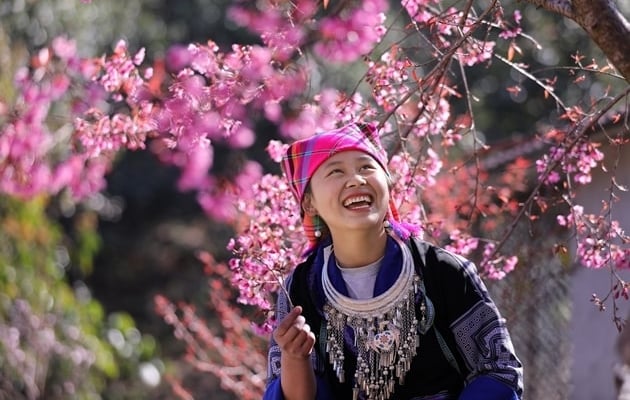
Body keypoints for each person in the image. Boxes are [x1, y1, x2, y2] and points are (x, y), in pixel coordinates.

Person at [263, 122, 523, 400]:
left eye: (366, 168)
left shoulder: (444, 272)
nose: (356, 180)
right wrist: (294, 358)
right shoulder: (302, 290)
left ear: (388, 183)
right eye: (336, 171)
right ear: (309, 203)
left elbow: (499, 371)